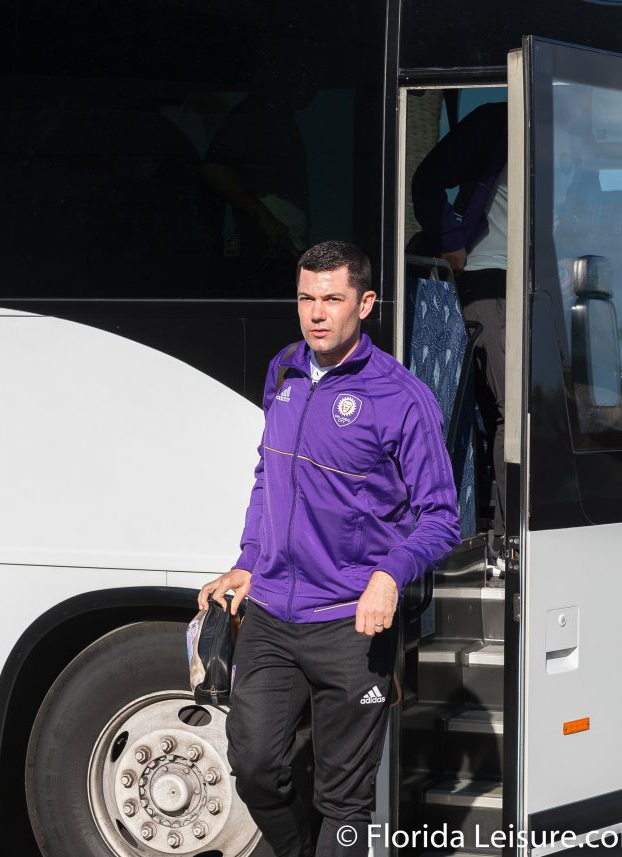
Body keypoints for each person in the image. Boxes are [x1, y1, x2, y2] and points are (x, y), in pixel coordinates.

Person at [197, 240, 461, 857]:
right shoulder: (284, 369)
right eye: (306, 299)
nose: (317, 314)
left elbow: (441, 517)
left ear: (365, 304)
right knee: (255, 768)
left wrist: (390, 576)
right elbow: (269, 477)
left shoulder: (402, 397)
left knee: (344, 802)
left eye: (333, 300)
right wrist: (247, 560)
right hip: (269, 614)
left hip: (350, 625)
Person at [411, 101, 508, 564]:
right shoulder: (495, 120)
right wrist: (451, 241)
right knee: (519, 415)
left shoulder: (576, 131)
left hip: (538, 288)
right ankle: (512, 544)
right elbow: (426, 178)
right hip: (489, 278)